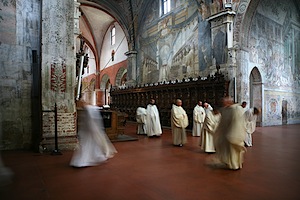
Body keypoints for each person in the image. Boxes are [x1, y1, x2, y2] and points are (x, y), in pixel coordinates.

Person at [70, 100, 117, 167]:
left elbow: (91, 121)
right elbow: (88, 121)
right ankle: (84, 160)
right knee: (88, 145)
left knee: (91, 145)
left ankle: (90, 158)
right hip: (89, 130)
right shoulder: (88, 109)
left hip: (90, 130)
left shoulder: (89, 109)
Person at [208, 97, 246, 170]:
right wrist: (219, 131)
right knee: (226, 150)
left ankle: (235, 165)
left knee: (233, 151)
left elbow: (237, 123)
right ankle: (228, 163)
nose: (223, 104)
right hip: (225, 133)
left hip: (233, 133)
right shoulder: (226, 109)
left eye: (224, 102)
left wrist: (232, 134)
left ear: (229, 102)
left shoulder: (236, 109)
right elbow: (222, 122)